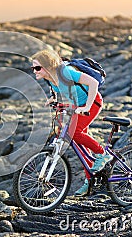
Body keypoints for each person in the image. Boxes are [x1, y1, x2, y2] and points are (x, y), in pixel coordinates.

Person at [31, 49, 112, 196]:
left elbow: (93, 83)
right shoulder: (49, 78)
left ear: (48, 66)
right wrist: (54, 98)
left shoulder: (65, 72)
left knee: (74, 133)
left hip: (92, 103)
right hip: (75, 107)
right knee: (80, 147)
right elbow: (59, 90)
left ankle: (102, 153)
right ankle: (90, 182)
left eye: (37, 68)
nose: (34, 71)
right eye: (33, 68)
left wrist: (86, 106)